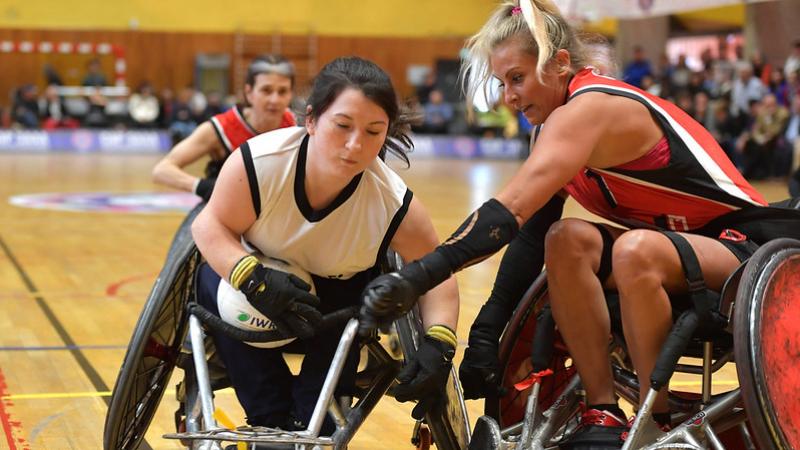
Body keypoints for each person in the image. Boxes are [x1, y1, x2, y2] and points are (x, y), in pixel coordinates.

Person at [359, 1, 778, 448]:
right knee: (566, 239)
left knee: (635, 249)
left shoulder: (591, 105)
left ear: (560, 64)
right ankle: (604, 412)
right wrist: (486, 330)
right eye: (503, 83)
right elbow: (531, 234)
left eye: (517, 78)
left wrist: (420, 274)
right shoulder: (553, 124)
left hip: (745, 249)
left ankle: (656, 419)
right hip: (672, 248)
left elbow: (507, 211)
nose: (509, 96)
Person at [190, 56, 460, 443]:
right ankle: (267, 420)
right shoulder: (260, 163)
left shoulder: (393, 203)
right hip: (249, 285)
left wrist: (439, 341)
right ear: (312, 120)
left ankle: (312, 423)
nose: (355, 145)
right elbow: (209, 224)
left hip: (332, 309)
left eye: (373, 131)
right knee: (225, 294)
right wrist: (248, 275)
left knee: (320, 419)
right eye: (343, 125)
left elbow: (438, 276)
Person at [152, 55, 297, 202]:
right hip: (223, 208)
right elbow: (162, 170)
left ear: (291, 94)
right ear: (249, 92)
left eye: (283, 91)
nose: (275, 99)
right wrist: (203, 187)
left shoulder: (297, 126)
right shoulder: (221, 128)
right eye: (266, 90)